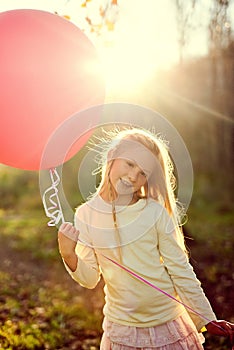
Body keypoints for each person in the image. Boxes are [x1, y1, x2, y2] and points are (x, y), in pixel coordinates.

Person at [58, 127, 234, 349]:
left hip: (167, 324)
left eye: (143, 173)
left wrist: (206, 317)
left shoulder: (154, 212)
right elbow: (90, 278)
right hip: (122, 329)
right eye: (130, 164)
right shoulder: (86, 214)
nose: (133, 176)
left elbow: (180, 269)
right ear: (113, 156)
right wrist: (68, 254)